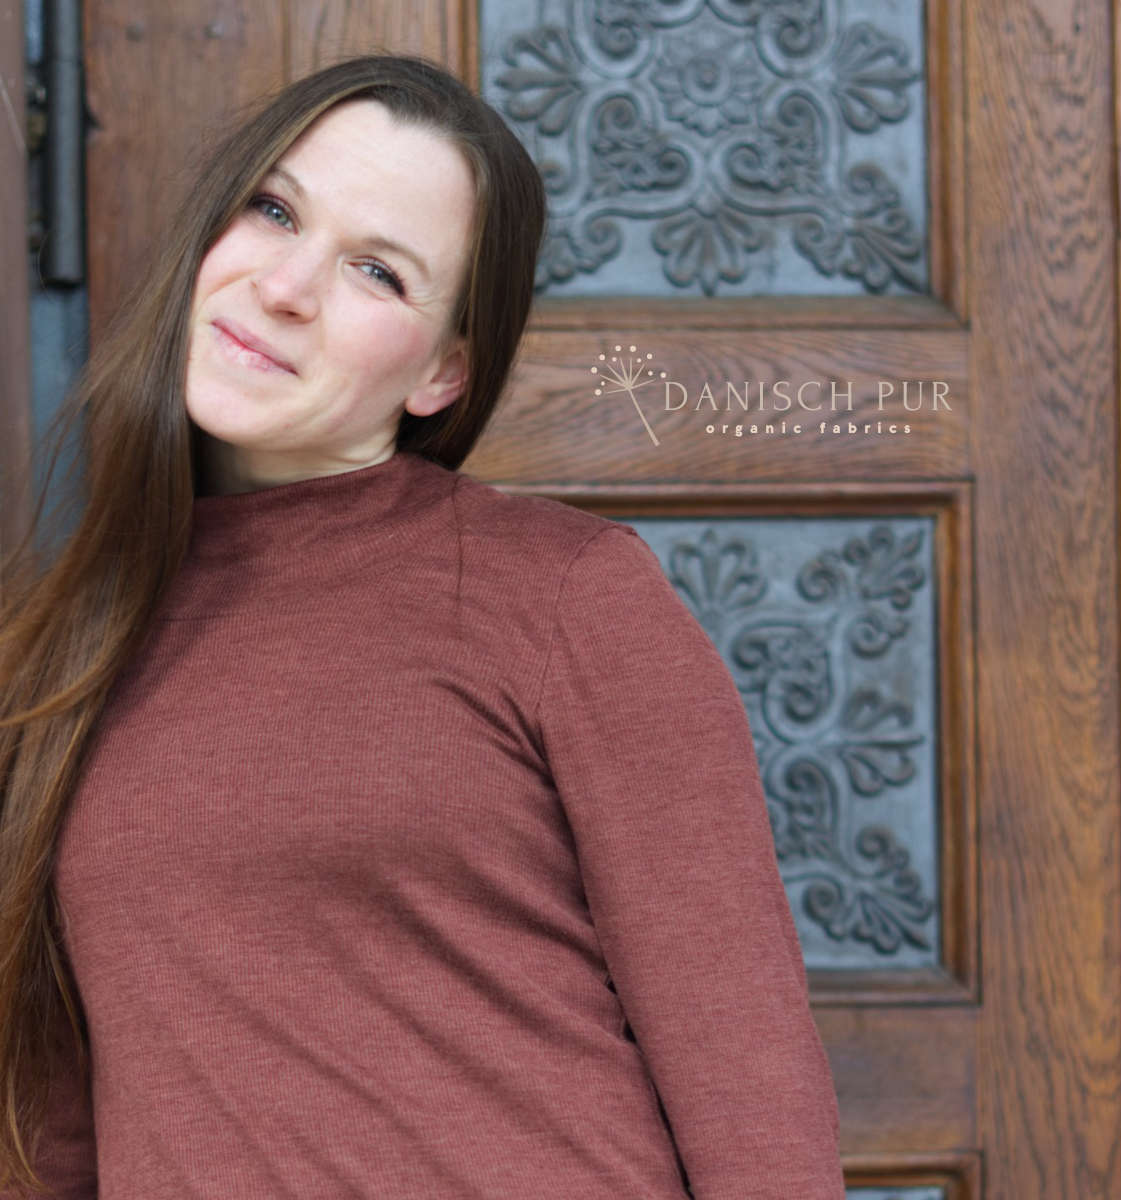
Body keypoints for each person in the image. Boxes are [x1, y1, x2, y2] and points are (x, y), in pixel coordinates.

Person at [0, 54, 842, 1199]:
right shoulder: (71, 646)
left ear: (443, 372)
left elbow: (750, 1086)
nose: (287, 286)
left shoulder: (566, 596)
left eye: (378, 272)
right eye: (275, 210)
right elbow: (52, 1129)